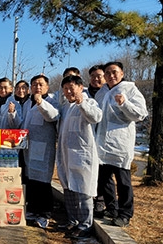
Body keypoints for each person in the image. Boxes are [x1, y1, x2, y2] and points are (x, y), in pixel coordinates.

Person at [94, 61, 148, 227]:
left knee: (123, 181)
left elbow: (141, 114)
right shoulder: (101, 92)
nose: (111, 76)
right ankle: (112, 208)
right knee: (103, 179)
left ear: (122, 73)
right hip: (102, 143)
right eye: (107, 73)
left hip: (120, 143)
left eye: (114, 72)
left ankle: (125, 213)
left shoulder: (130, 89)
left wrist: (125, 103)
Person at [56, 75, 102, 239]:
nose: (68, 92)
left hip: (82, 157)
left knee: (83, 192)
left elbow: (96, 117)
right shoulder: (67, 107)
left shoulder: (89, 102)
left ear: (80, 87)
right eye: (65, 90)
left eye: (71, 88)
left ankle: (85, 225)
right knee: (69, 190)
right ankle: (73, 220)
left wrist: (81, 101)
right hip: (67, 155)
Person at [22, 74, 59, 229]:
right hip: (30, 147)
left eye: (40, 84)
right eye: (34, 84)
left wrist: (41, 102)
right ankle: (33, 210)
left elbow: (53, 116)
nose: (37, 87)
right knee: (31, 180)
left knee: (43, 182)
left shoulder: (51, 101)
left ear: (47, 87)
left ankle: (44, 214)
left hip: (44, 148)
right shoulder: (28, 103)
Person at [86, 64, 107, 216]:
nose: (96, 79)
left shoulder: (109, 93)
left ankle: (101, 201)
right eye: (93, 76)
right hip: (87, 139)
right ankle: (90, 200)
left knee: (103, 173)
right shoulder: (85, 93)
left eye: (99, 76)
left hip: (104, 138)